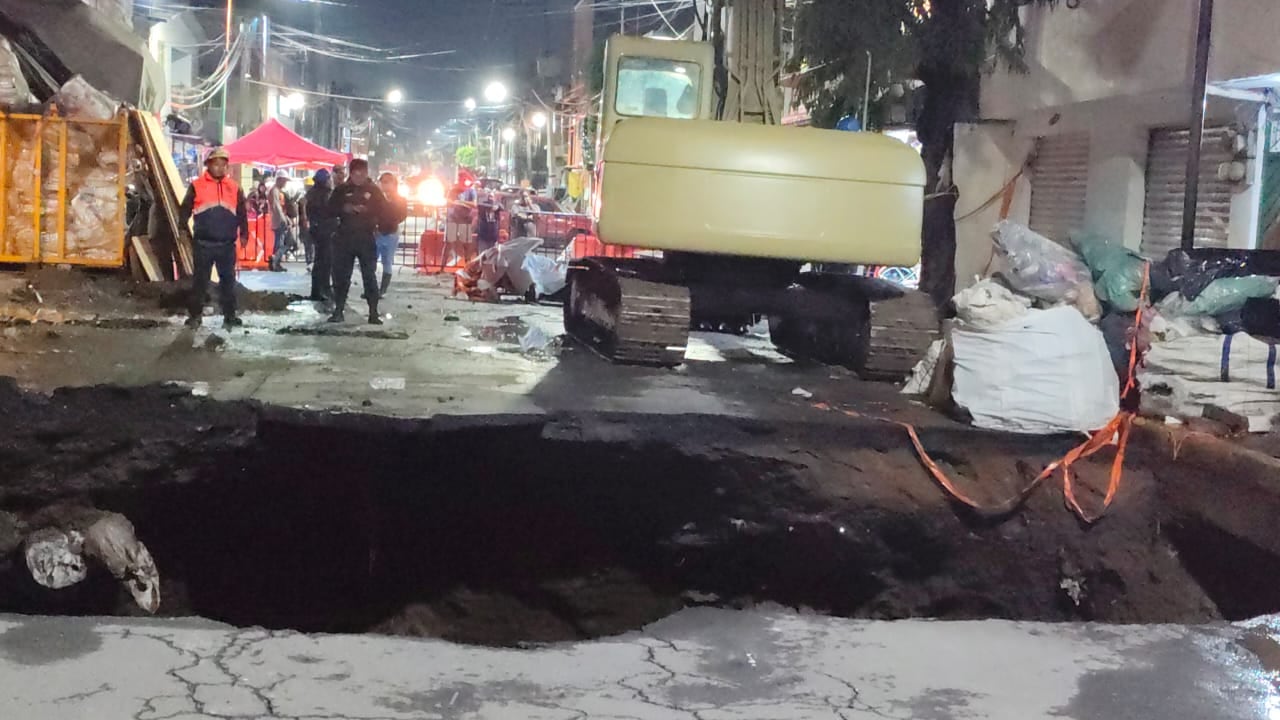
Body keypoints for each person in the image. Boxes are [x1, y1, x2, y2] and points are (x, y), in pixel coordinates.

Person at [177, 147, 248, 328]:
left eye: (223, 164)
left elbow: (242, 213)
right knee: (200, 282)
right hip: (203, 243)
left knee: (228, 282)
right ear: (209, 165)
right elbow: (184, 210)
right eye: (216, 164)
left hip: (226, 244)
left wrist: (244, 234)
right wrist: (182, 230)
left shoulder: (234, 188)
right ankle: (195, 316)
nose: (220, 168)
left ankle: (230, 315)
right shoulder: (197, 186)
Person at [327, 159, 388, 324]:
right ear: (351, 174)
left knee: (369, 275)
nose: (359, 177)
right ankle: (338, 310)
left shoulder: (374, 191)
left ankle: (373, 313)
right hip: (344, 238)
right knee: (341, 276)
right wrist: (344, 208)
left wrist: (369, 212)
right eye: (356, 174)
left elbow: (385, 211)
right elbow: (329, 209)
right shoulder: (341, 190)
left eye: (363, 174)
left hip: (366, 237)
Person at [304, 168, 337, 302]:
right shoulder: (325, 195)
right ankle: (323, 290)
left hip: (317, 231)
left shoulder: (311, 194)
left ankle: (318, 290)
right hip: (325, 232)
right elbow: (330, 211)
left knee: (320, 262)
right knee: (325, 262)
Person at [374, 172, 409, 298]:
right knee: (371, 261)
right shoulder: (376, 198)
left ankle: (382, 290)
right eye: (383, 182)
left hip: (391, 233)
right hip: (377, 233)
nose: (385, 185)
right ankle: (371, 289)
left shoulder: (400, 200)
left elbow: (402, 215)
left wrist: (391, 222)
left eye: (388, 182)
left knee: (387, 261)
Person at [268, 175, 294, 272]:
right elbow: (276, 206)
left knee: (281, 242)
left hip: (280, 219)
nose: (285, 183)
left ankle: (276, 261)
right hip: (278, 220)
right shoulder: (275, 191)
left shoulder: (278, 191)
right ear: (279, 180)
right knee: (281, 242)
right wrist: (283, 218)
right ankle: (275, 260)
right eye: (284, 181)